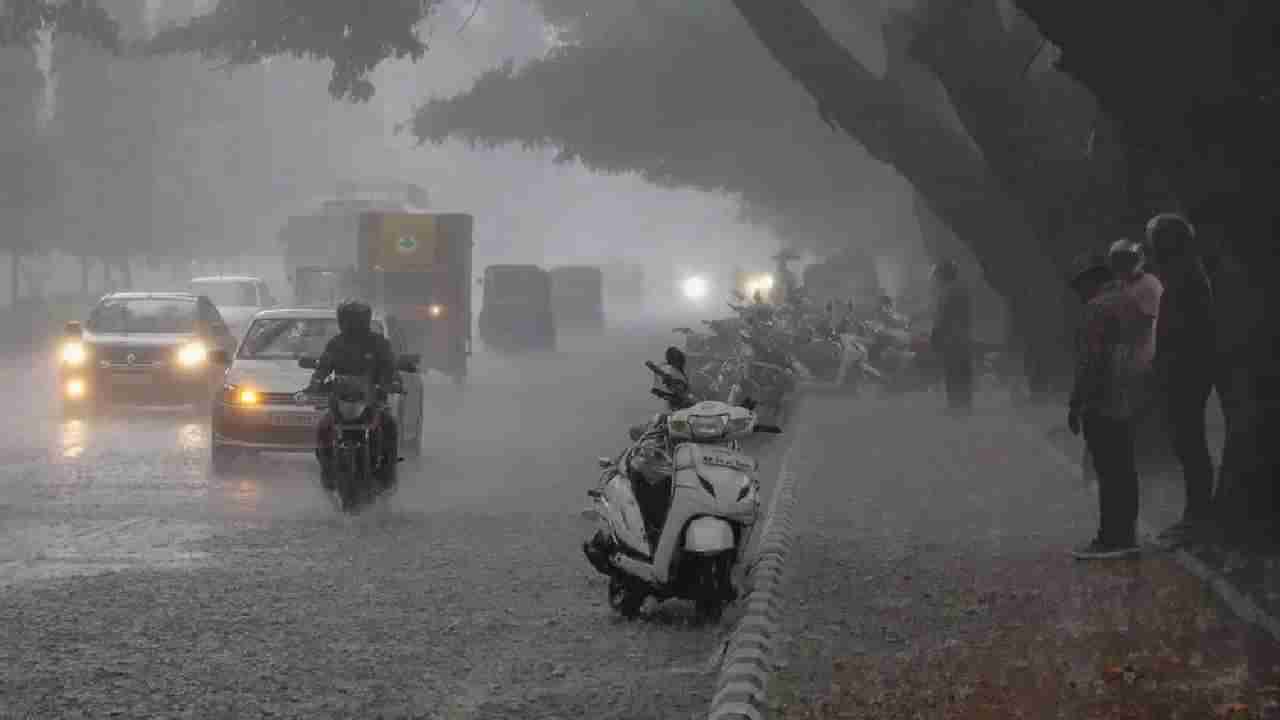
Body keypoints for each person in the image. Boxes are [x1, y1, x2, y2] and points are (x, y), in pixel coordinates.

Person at [1067, 243, 1159, 559]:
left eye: (1078, 285)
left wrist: (1076, 403)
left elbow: (1090, 362)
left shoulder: (1097, 309)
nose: (1077, 292)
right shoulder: (1129, 302)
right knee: (1125, 468)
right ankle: (1127, 534)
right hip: (1130, 395)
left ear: (1090, 281)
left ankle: (1111, 538)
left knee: (1108, 470)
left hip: (1102, 398)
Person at [1146, 213, 1216, 547]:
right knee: (1184, 442)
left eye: (1156, 241)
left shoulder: (1187, 277)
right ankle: (1194, 514)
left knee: (1190, 442)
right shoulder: (1181, 275)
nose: (1152, 249)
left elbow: (1184, 329)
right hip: (1181, 369)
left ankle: (1198, 516)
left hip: (1188, 370)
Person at [308, 299, 401, 491]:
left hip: (371, 400)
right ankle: (327, 469)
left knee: (389, 425)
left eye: (356, 319)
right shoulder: (336, 343)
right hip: (341, 400)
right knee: (323, 426)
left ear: (365, 320)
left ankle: (388, 472)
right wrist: (316, 382)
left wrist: (390, 383)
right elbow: (324, 365)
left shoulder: (378, 342)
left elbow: (389, 366)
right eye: (348, 319)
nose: (352, 324)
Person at [627, 347, 693, 539]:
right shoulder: (673, 376)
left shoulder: (674, 376)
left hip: (678, 421)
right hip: (671, 423)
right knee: (642, 463)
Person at [930, 260, 974, 414]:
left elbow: (941, 316)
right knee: (963, 371)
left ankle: (955, 405)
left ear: (943, 275)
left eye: (937, 274)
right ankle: (966, 404)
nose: (935, 278)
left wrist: (935, 335)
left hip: (950, 337)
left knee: (952, 372)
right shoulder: (962, 289)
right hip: (963, 336)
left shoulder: (946, 291)